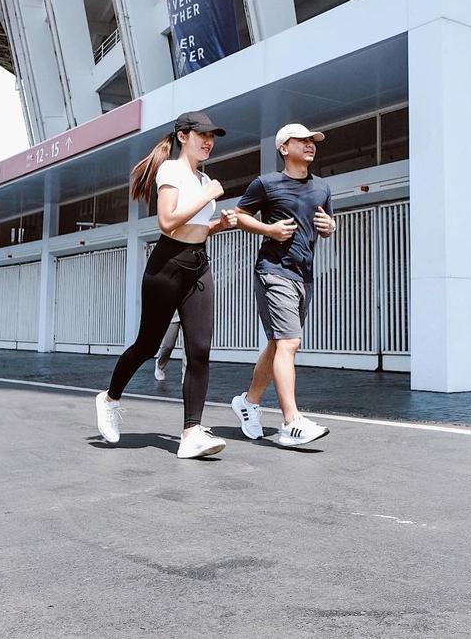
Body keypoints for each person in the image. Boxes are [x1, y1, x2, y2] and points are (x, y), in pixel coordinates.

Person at [95, 111, 236, 459]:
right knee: (147, 345)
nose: (208, 141)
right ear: (183, 136)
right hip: (167, 266)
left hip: (198, 266)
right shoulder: (171, 170)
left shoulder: (204, 179)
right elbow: (168, 222)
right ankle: (110, 399)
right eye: (202, 134)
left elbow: (196, 229)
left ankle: (191, 433)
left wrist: (220, 223)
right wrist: (207, 198)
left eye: (212, 136)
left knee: (199, 350)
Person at [230, 123, 336, 447]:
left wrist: (331, 226)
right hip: (274, 271)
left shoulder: (322, 188)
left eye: (312, 141)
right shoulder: (266, 183)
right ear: (283, 148)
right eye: (302, 140)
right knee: (290, 342)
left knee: (278, 345)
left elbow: (328, 223)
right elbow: (239, 215)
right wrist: (269, 230)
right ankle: (291, 422)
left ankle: (248, 403)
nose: (310, 145)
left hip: (305, 276)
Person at [154, 314, 180, 381]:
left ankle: (186, 373)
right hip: (174, 313)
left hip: (189, 312)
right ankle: (160, 364)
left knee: (188, 347)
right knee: (168, 345)